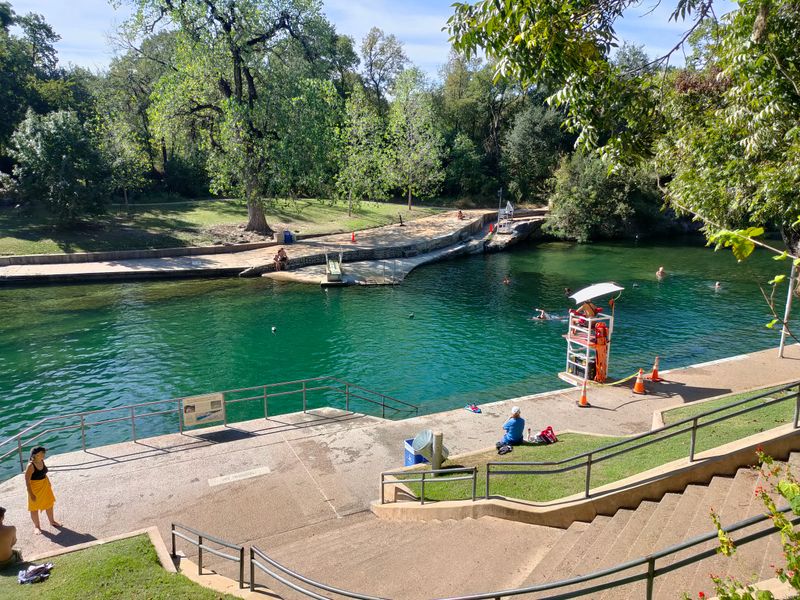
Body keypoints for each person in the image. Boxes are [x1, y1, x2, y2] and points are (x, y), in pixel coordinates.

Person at [25, 446, 60, 534]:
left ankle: (52, 521)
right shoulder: (30, 466)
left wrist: (48, 482)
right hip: (35, 489)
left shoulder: (41, 460)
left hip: (45, 486)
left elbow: (44, 473)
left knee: (49, 504)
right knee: (34, 508)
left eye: (44, 453)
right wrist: (31, 494)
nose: (44, 454)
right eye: (42, 453)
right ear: (36, 455)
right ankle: (37, 527)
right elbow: (27, 482)